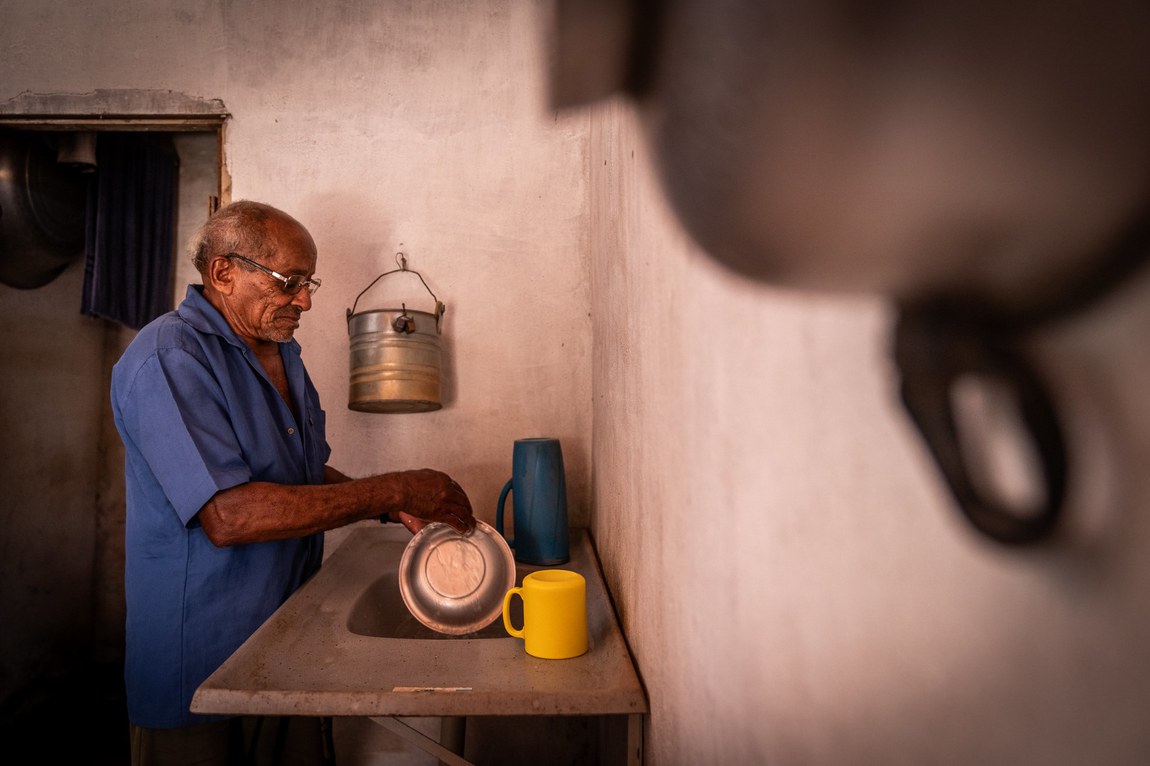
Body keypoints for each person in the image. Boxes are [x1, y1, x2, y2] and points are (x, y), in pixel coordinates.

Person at [110, 200, 475, 765]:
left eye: (309, 283)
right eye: (290, 282)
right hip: (200, 664)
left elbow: (297, 476)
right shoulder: (168, 358)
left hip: (284, 644)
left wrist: (388, 509)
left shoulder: (280, 352)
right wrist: (393, 489)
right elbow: (229, 516)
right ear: (223, 273)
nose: (303, 301)